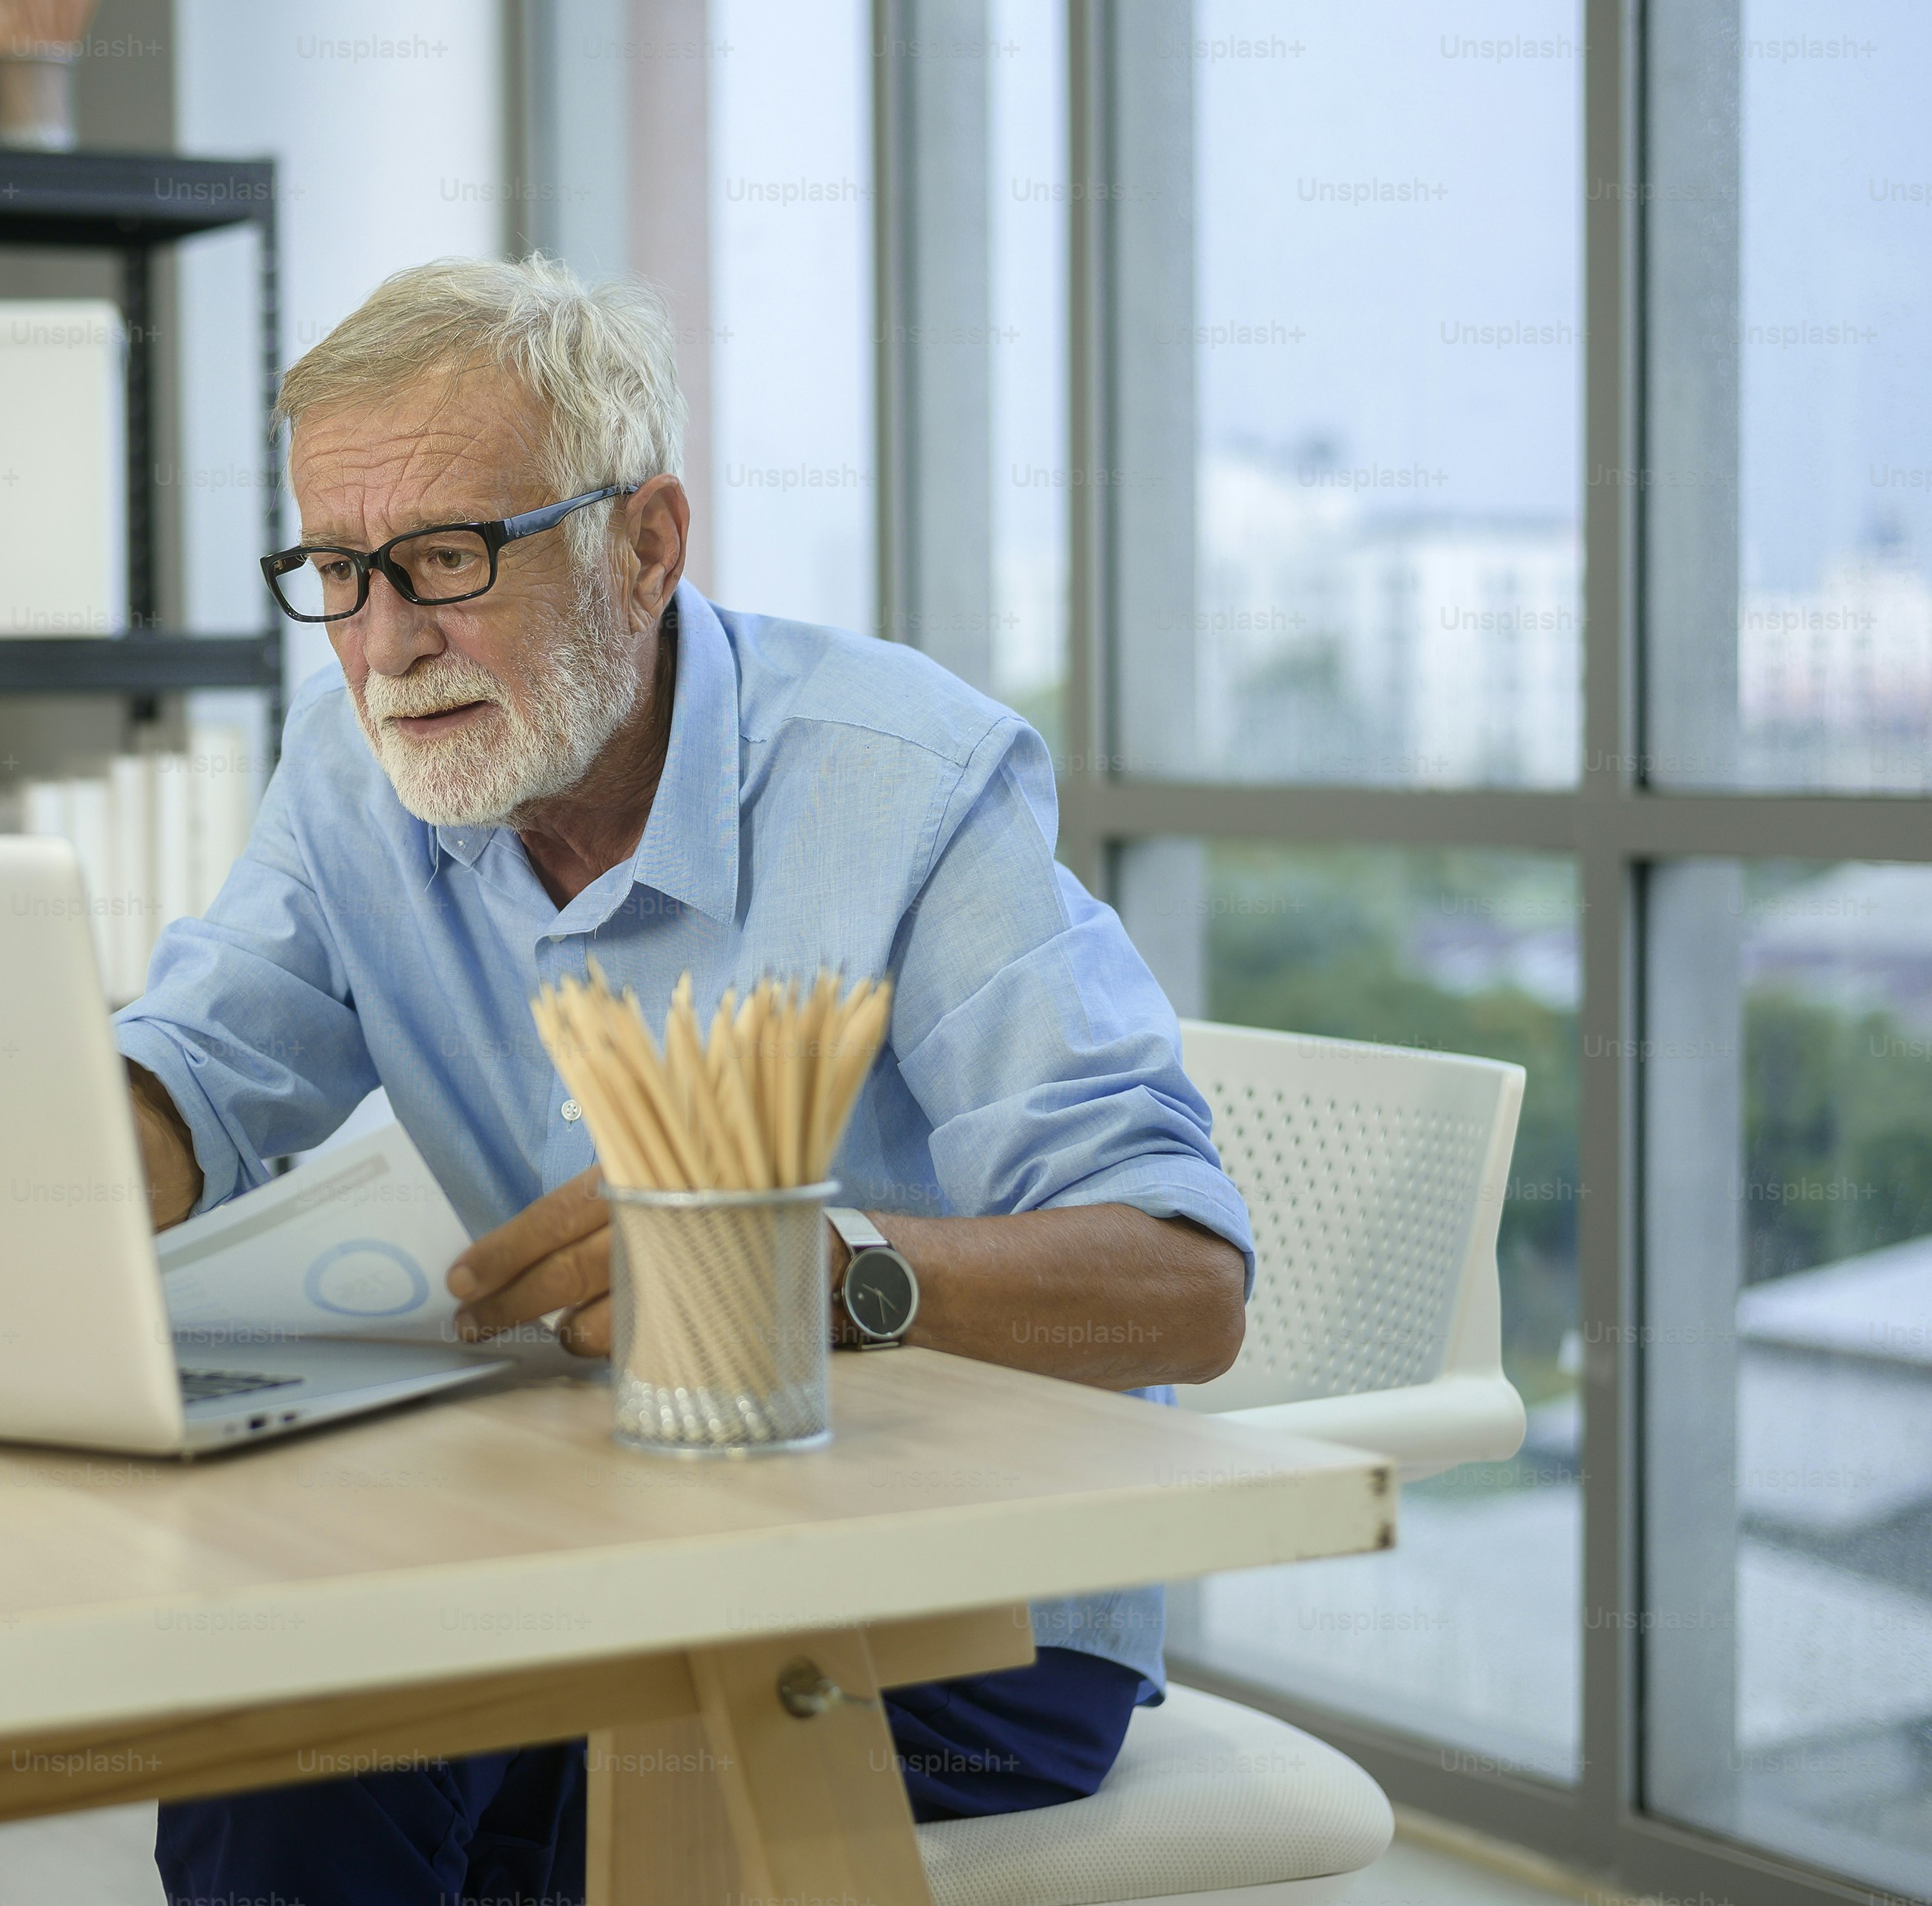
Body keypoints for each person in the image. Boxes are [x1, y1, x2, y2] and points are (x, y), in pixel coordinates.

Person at [110, 254, 1252, 1906]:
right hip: (552, 1550)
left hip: (946, 1604)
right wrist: (54, 1174)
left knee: (598, 1806)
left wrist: (795, 1270)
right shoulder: (349, 771)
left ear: (643, 543)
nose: (385, 643)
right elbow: (201, 1070)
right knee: (265, 1759)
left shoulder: (903, 782)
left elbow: (1179, 1288)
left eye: (444, 557)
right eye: (337, 570)